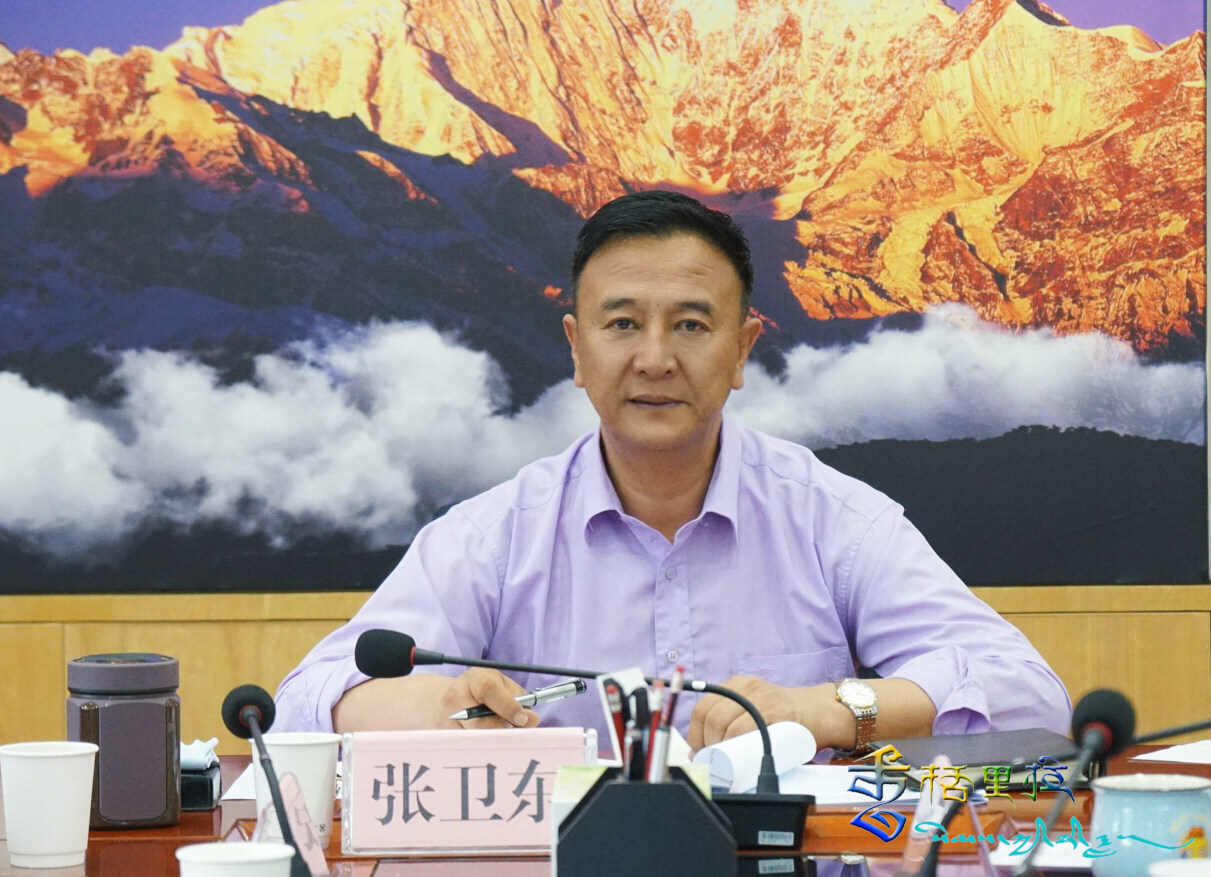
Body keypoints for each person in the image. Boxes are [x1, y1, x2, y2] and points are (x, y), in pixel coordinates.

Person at [274, 190, 1071, 754]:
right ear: (576, 349)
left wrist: (826, 708)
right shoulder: (492, 536)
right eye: (622, 324)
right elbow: (303, 704)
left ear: (742, 349)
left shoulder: (834, 520)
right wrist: (437, 702)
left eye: (690, 325)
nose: (654, 358)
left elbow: (1030, 695)